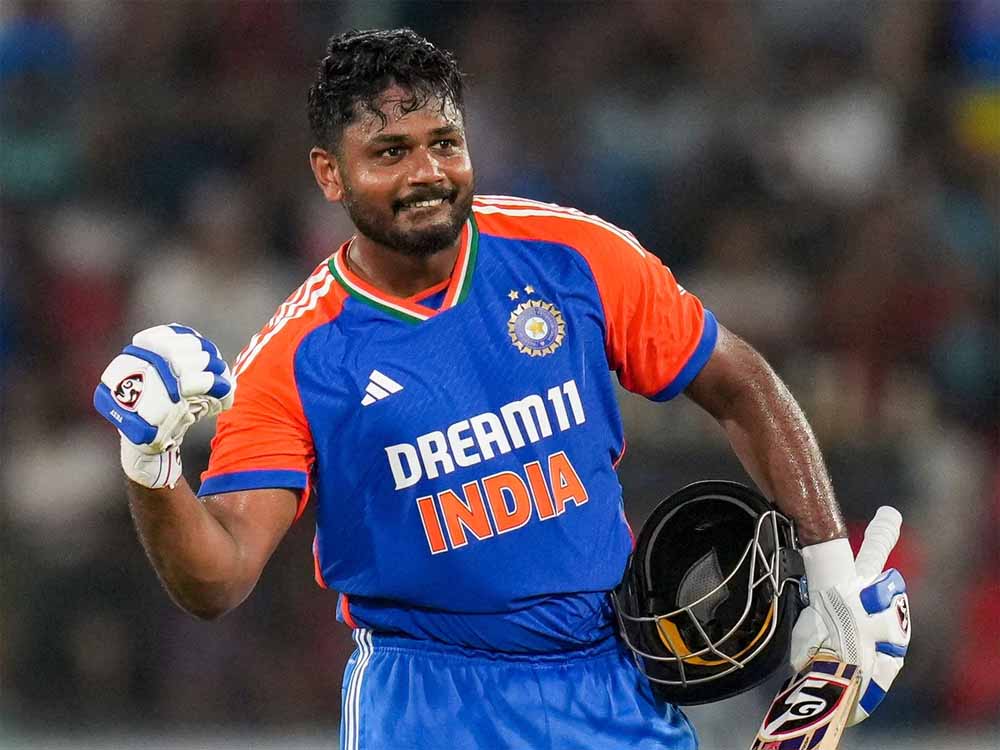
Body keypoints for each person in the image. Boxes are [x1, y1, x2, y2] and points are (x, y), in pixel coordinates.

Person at [94, 28, 909, 749]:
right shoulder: (296, 358)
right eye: (390, 153)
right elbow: (220, 577)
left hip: (611, 682)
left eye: (444, 143)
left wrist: (831, 579)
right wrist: (150, 463)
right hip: (427, 703)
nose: (427, 173)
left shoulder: (573, 255)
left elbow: (742, 384)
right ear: (329, 175)